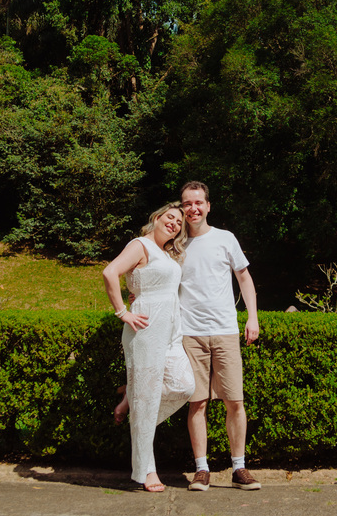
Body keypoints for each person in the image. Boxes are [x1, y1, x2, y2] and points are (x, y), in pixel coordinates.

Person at [102, 202, 195, 492]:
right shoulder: (140, 245)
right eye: (170, 217)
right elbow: (109, 272)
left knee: (185, 385)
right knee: (146, 397)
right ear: (155, 217)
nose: (174, 224)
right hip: (144, 330)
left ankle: (133, 400)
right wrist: (122, 312)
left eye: (179, 222)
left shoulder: (167, 254)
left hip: (170, 330)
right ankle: (147, 471)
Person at [178, 181, 261, 492]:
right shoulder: (176, 244)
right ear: (182, 207)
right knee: (196, 403)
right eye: (187, 203)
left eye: (198, 202)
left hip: (225, 331)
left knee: (234, 402)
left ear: (208, 206)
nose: (193, 208)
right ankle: (201, 470)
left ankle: (239, 468)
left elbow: (244, 278)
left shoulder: (225, 239)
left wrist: (252, 317)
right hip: (190, 334)